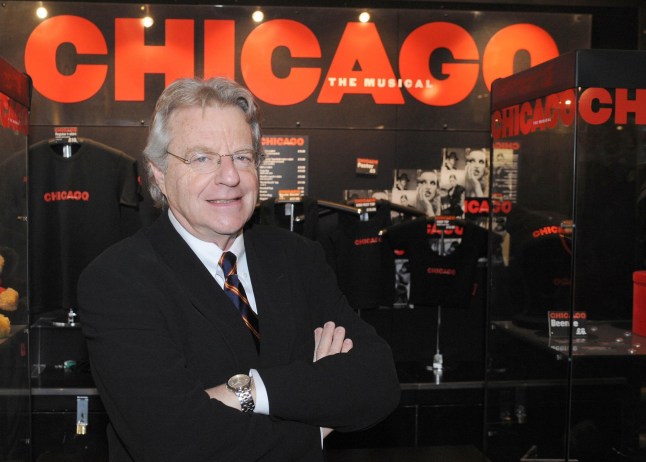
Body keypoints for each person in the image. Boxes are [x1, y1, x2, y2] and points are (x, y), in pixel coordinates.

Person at [77, 77, 400, 462]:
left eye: (243, 157)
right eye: (202, 158)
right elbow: (173, 441)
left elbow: (378, 380)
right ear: (159, 174)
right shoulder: (118, 279)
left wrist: (247, 393)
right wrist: (315, 418)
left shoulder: (298, 258)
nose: (230, 176)